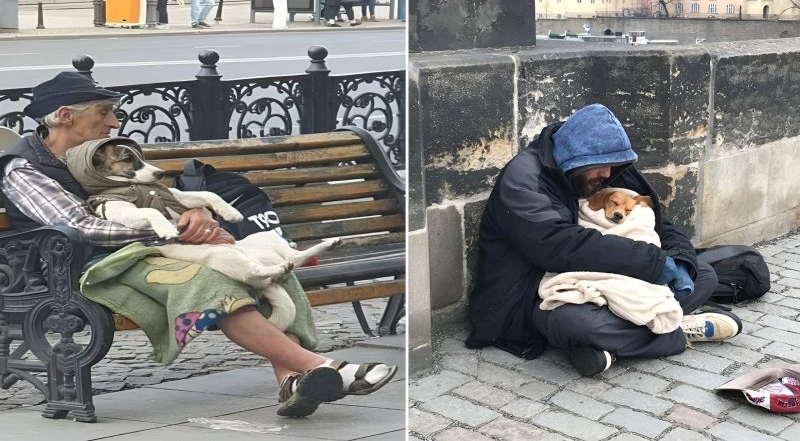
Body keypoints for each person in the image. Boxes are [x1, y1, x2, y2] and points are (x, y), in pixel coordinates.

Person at [0, 71, 397, 417]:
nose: (114, 121)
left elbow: (161, 195)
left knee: (270, 268)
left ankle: (292, 379)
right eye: (103, 112)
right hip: (80, 268)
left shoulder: (100, 155)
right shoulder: (25, 168)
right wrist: (167, 230)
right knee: (211, 281)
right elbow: (80, 226)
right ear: (65, 116)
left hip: (147, 249)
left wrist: (197, 217)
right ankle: (323, 366)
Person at [466, 103, 743, 376]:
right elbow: (559, 245)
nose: (607, 175)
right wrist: (654, 263)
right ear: (574, 158)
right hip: (533, 292)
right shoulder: (524, 178)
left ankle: (614, 344)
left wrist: (679, 261)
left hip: (606, 277)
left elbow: (660, 222)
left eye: (612, 167)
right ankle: (676, 332)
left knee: (702, 273)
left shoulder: (608, 166)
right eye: (600, 168)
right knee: (578, 323)